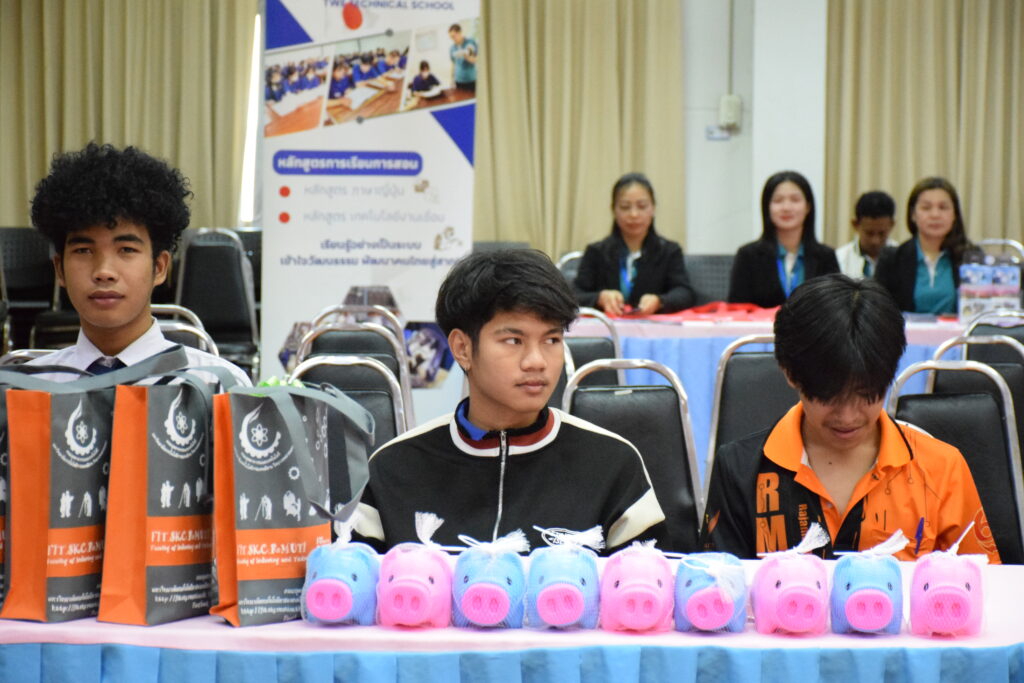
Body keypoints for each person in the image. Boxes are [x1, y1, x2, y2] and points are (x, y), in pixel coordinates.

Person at [355, 249, 667, 553]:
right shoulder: (392, 468)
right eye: (514, 340)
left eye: (551, 340)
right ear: (462, 349)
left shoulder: (614, 464)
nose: (537, 361)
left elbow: (656, 582)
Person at [700, 274, 999, 563]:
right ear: (790, 373)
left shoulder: (941, 469)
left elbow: (985, 585)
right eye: (829, 396)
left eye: (866, 394)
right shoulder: (740, 469)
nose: (848, 416)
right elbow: (719, 588)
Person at [27, 142, 251, 386]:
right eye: (84, 250)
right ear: (60, 270)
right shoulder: (28, 388)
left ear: (160, 267)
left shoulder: (215, 385)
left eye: (126, 249)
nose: (104, 272)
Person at [574, 173, 696, 315]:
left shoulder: (669, 251)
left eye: (642, 206)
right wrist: (599, 298)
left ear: (653, 208)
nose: (634, 214)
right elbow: (574, 295)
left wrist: (660, 301)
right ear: (614, 210)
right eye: (625, 207)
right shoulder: (596, 252)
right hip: (607, 326)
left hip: (653, 326)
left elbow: (685, 293)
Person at [728, 170, 840, 308]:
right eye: (778, 200)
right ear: (767, 207)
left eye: (795, 200)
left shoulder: (825, 256)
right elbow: (737, 308)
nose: (786, 208)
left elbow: (836, 308)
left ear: (808, 207)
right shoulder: (748, 255)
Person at [875, 177, 974, 315]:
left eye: (943, 207)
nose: (935, 215)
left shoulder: (971, 258)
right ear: (913, 215)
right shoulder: (892, 259)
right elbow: (879, 312)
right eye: (926, 208)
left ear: (954, 215)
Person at [835, 190, 898, 279]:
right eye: (869, 233)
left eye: (882, 233)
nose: (875, 241)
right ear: (855, 225)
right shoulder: (840, 260)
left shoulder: (903, 260)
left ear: (892, 225)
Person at [448, 23, 478, 92]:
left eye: (454, 36)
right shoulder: (452, 48)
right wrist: (452, 79)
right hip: (458, 81)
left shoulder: (470, 42)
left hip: (471, 80)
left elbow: (476, 59)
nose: (453, 39)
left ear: (460, 32)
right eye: (451, 37)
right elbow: (453, 64)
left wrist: (467, 57)